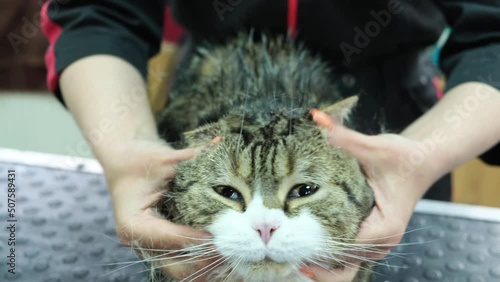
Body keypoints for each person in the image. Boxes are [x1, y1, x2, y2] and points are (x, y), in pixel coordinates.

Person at [41, 0, 500, 281]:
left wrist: (421, 155)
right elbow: (95, 8)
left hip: (391, 124)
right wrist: (126, 147)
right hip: (207, 97)